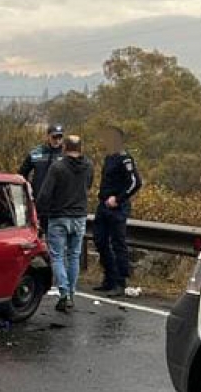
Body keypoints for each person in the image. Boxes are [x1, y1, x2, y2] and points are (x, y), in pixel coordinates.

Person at [36, 135, 93, 313]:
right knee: (74, 255)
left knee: (57, 256)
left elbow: (45, 194)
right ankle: (71, 293)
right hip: (79, 216)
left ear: (65, 148)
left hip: (59, 216)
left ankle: (64, 293)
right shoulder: (88, 165)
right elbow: (88, 186)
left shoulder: (57, 167)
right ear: (81, 148)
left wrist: (39, 213)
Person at [93, 126, 143, 297]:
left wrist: (118, 198)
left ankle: (120, 282)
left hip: (117, 208)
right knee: (99, 240)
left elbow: (135, 182)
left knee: (118, 244)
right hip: (103, 206)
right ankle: (109, 278)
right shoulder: (109, 157)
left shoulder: (125, 158)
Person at [19, 124, 65, 231]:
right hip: (38, 202)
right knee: (37, 232)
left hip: (58, 204)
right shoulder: (36, 153)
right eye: (54, 137)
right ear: (48, 136)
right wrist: (27, 188)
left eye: (60, 137)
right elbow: (21, 174)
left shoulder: (66, 155)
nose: (57, 140)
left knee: (54, 236)